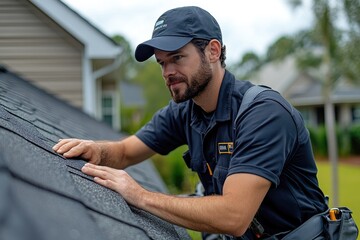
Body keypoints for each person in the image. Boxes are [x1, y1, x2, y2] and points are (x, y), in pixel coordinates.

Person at [53, 6, 328, 239]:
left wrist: (139, 195)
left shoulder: (263, 113)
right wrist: (96, 151)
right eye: (161, 63)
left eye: (177, 58)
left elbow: (234, 215)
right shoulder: (185, 111)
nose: (168, 72)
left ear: (213, 51)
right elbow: (125, 152)